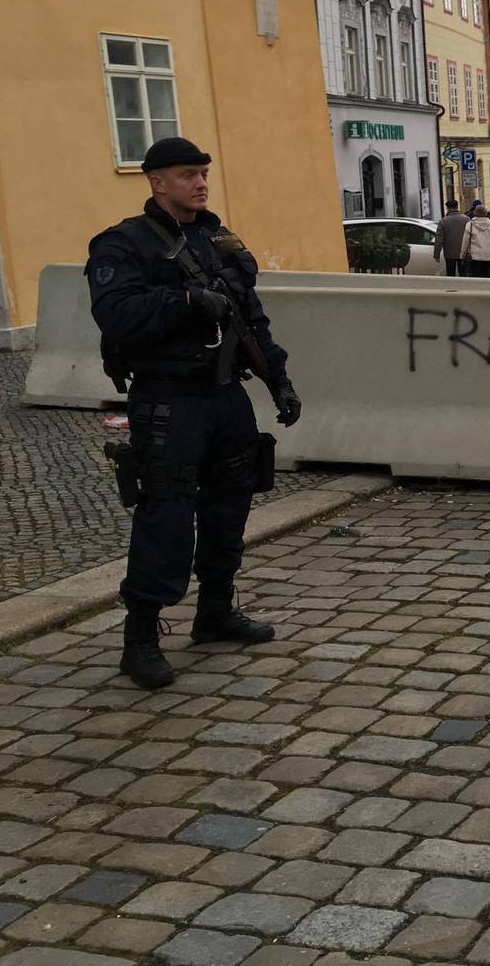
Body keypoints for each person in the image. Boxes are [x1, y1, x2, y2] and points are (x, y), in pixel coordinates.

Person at [87, 136, 302, 690]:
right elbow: (116, 315)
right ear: (157, 182)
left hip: (224, 395)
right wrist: (182, 302)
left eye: (204, 173)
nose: (201, 183)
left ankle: (213, 612)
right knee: (167, 515)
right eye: (188, 175)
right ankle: (139, 640)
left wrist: (278, 380)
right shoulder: (123, 244)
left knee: (230, 506)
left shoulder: (216, 238)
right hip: (168, 399)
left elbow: (251, 318)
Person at [461, 205, 490, 277]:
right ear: (486, 213)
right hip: (487, 256)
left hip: (474, 257)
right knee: (486, 276)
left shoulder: (470, 225)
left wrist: (462, 255)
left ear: (475, 213)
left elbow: (465, 241)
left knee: (476, 276)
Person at [434, 199, 469, 276]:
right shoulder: (466, 219)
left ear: (447, 208)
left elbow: (439, 239)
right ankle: (464, 287)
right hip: (464, 252)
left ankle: (452, 287)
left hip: (449, 253)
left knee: (450, 273)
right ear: (457, 207)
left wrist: (436, 254)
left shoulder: (444, 221)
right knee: (463, 273)